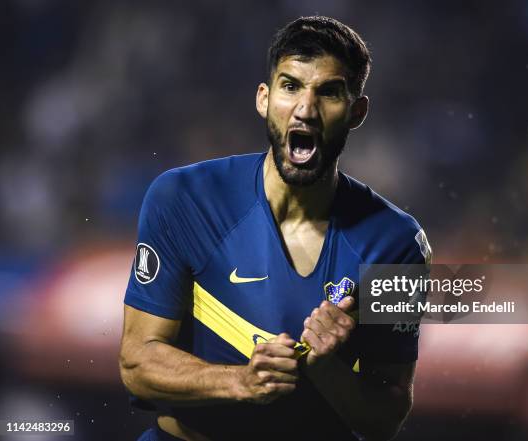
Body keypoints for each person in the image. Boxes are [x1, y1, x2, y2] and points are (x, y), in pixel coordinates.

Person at [119, 15, 431, 441]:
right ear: (263, 99)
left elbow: (385, 417)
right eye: (290, 86)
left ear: (357, 112)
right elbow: (137, 362)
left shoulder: (396, 245)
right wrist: (239, 381)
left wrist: (326, 368)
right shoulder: (182, 198)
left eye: (329, 92)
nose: (305, 109)